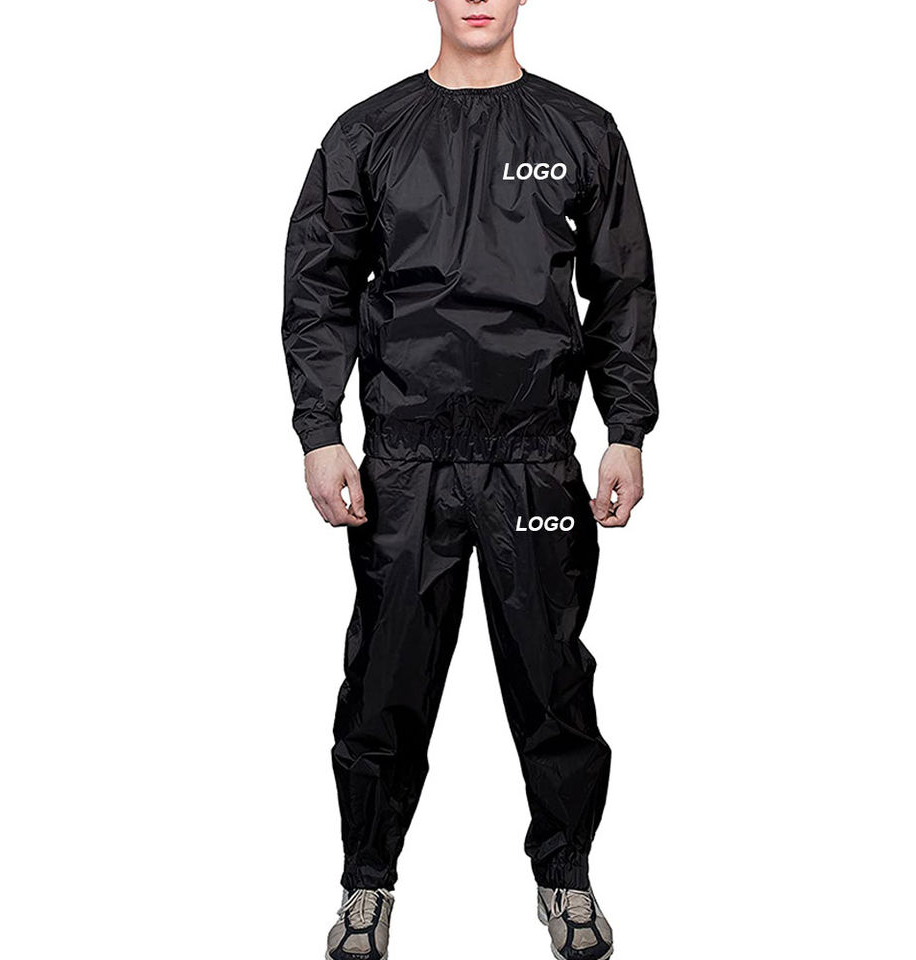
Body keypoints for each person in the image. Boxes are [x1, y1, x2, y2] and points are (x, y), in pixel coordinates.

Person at [282, 1, 656, 957]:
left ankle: (566, 878)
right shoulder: (369, 133)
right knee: (385, 682)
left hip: (533, 459)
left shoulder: (580, 131)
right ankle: (366, 885)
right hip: (406, 463)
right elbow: (319, 286)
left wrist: (624, 430)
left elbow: (621, 289)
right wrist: (321, 431)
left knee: (552, 679)